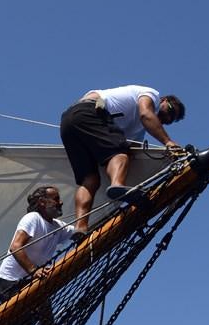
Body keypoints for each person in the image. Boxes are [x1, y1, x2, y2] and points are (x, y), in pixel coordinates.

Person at [59, 85, 186, 235]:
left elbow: (133, 150)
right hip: (89, 111)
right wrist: (168, 142)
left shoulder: (137, 131)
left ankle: (80, 227)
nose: (166, 118)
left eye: (169, 121)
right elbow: (146, 114)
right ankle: (117, 186)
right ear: (163, 100)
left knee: (90, 179)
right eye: (169, 111)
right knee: (120, 154)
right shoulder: (151, 94)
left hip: (68, 123)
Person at [0, 185, 66, 325]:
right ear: (42, 202)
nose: (60, 202)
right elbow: (16, 247)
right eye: (56, 199)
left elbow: (76, 231)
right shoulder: (33, 219)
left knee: (44, 311)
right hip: (12, 281)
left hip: (33, 280)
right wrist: (34, 271)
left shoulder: (57, 226)